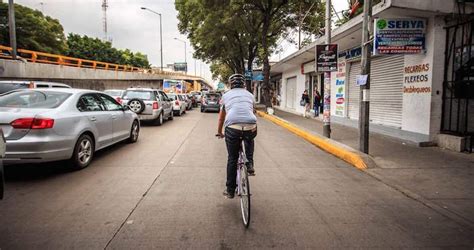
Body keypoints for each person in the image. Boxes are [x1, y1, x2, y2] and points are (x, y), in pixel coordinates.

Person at [216, 74, 257, 199]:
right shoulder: (250, 95)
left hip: (232, 128)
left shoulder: (225, 96)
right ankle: (249, 163)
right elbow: (252, 111)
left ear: (231, 84)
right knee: (250, 137)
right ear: (244, 84)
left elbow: (221, 117)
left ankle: (230, 190)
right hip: (250, 125)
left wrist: (219, 131)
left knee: (232, 158)